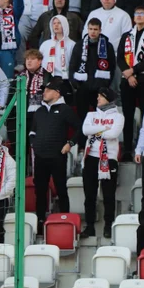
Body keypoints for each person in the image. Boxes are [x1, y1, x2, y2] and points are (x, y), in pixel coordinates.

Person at [30, 80, 79, 224]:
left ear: (57, 93)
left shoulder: (65, 109)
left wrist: (70, 143)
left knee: (61, 189)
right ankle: (40, 221)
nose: (44, 93)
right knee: (40, 191)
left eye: (48, 90)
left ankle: (65, 220)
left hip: (57, 156)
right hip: (40, 156)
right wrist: (34, 144)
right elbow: (32, 131)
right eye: (44, 90)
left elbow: (79, 128)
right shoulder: (39, 111)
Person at [81, 87, 123, 238]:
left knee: (108, 195)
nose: (98, 98)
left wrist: (96, 130)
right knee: (89, 195)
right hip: (91, 157)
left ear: (108, 98)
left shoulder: (118, 116)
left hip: (108, 158)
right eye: (97, 96)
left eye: (101, 96)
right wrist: (103, 128)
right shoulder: (91, 114)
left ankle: (108, 225)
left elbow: (114, 133)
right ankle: (90, 226)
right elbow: (85, 130)